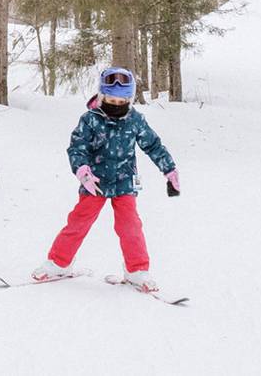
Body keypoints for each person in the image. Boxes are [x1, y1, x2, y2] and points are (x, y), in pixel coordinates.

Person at [31, 67, 180, 292]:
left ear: (129, 100)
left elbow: (153, 145)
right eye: (112, 99)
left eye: (122, 102)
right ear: (102, 95)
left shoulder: (135, 120)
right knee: (79, 221)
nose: (116, 105)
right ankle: (59, 262)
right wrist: (83, 172)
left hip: (125, 181)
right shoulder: (90, 120)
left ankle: (136, 270)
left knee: (130, 225)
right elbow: (77, 148)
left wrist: (169, 170)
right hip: (95, 182)